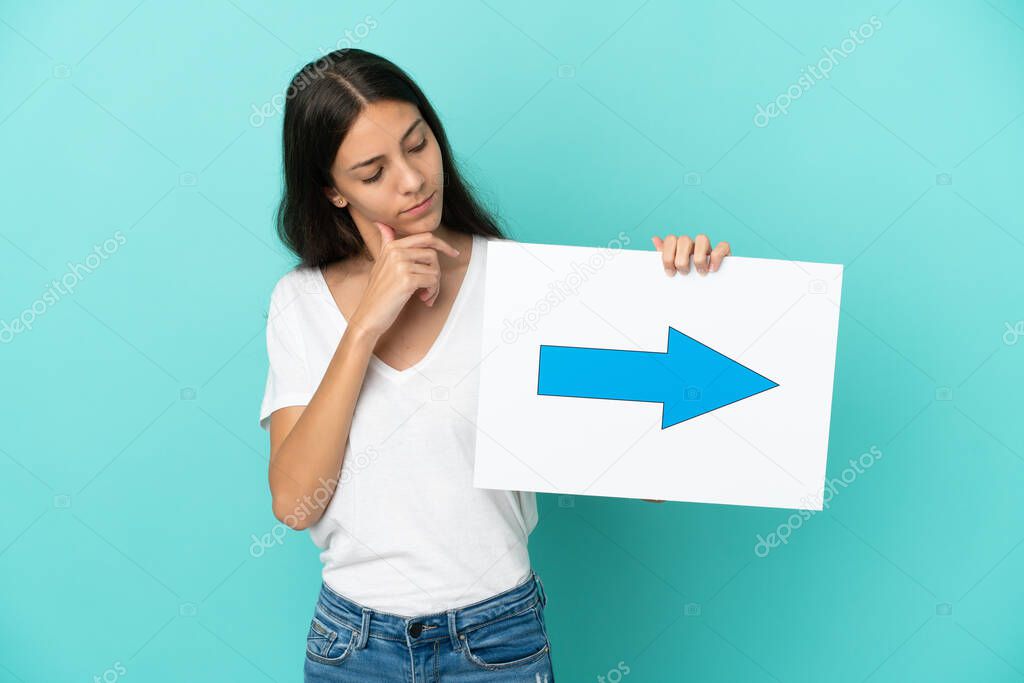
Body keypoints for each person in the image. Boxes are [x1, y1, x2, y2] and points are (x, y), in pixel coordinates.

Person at [258, 48, 732, 682]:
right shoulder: (299, 302)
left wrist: (688, 294)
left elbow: (651, 476)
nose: (412, 180)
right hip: (353, 649)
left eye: (418, 144)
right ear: (333, 193)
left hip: (496, 643)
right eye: (373, 173)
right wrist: (366, 324)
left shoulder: (524, 286)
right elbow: (295, 504)